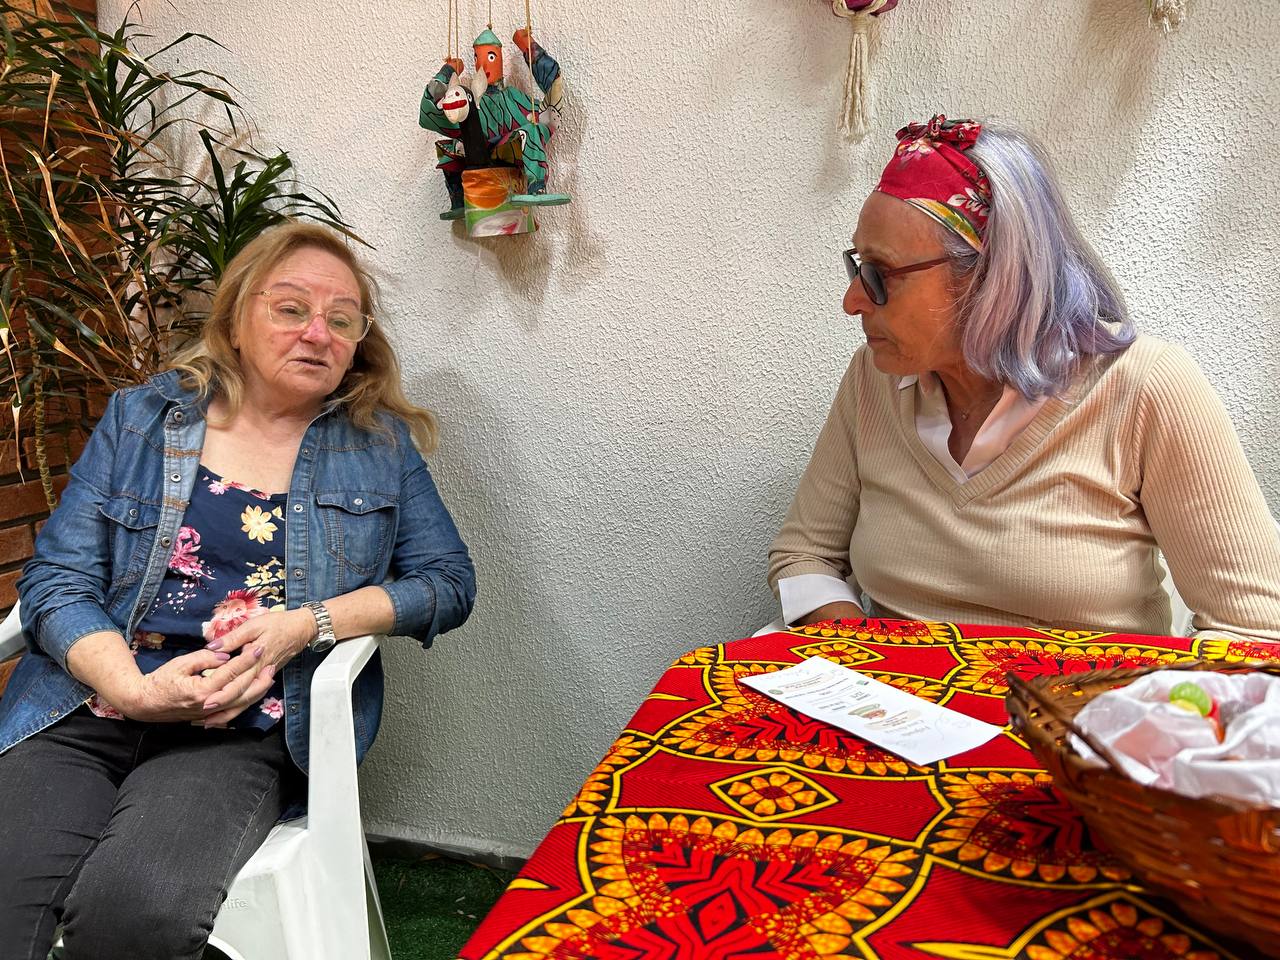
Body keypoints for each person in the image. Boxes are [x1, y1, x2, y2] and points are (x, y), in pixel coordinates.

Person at [0, 221, 476, 959]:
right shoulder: (143, 419)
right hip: (90, 702)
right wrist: (132, 689)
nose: (317, 333)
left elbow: (447, 583)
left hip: (239, 729)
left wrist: (308, 623)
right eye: (291, 308)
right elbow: (57, 578)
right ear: (235, 319)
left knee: (134, 914)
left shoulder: (378, 446)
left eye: (342, 319)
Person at [768, 115, 1280, 643]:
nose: (852, 301)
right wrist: (866, 656)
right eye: (857, 266)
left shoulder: (1144, 387)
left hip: (1083, 695)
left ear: (992, 276)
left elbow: (1253, 630)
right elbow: (806, 554)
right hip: (895, 691)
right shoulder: (873, 381)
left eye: (880, 274)